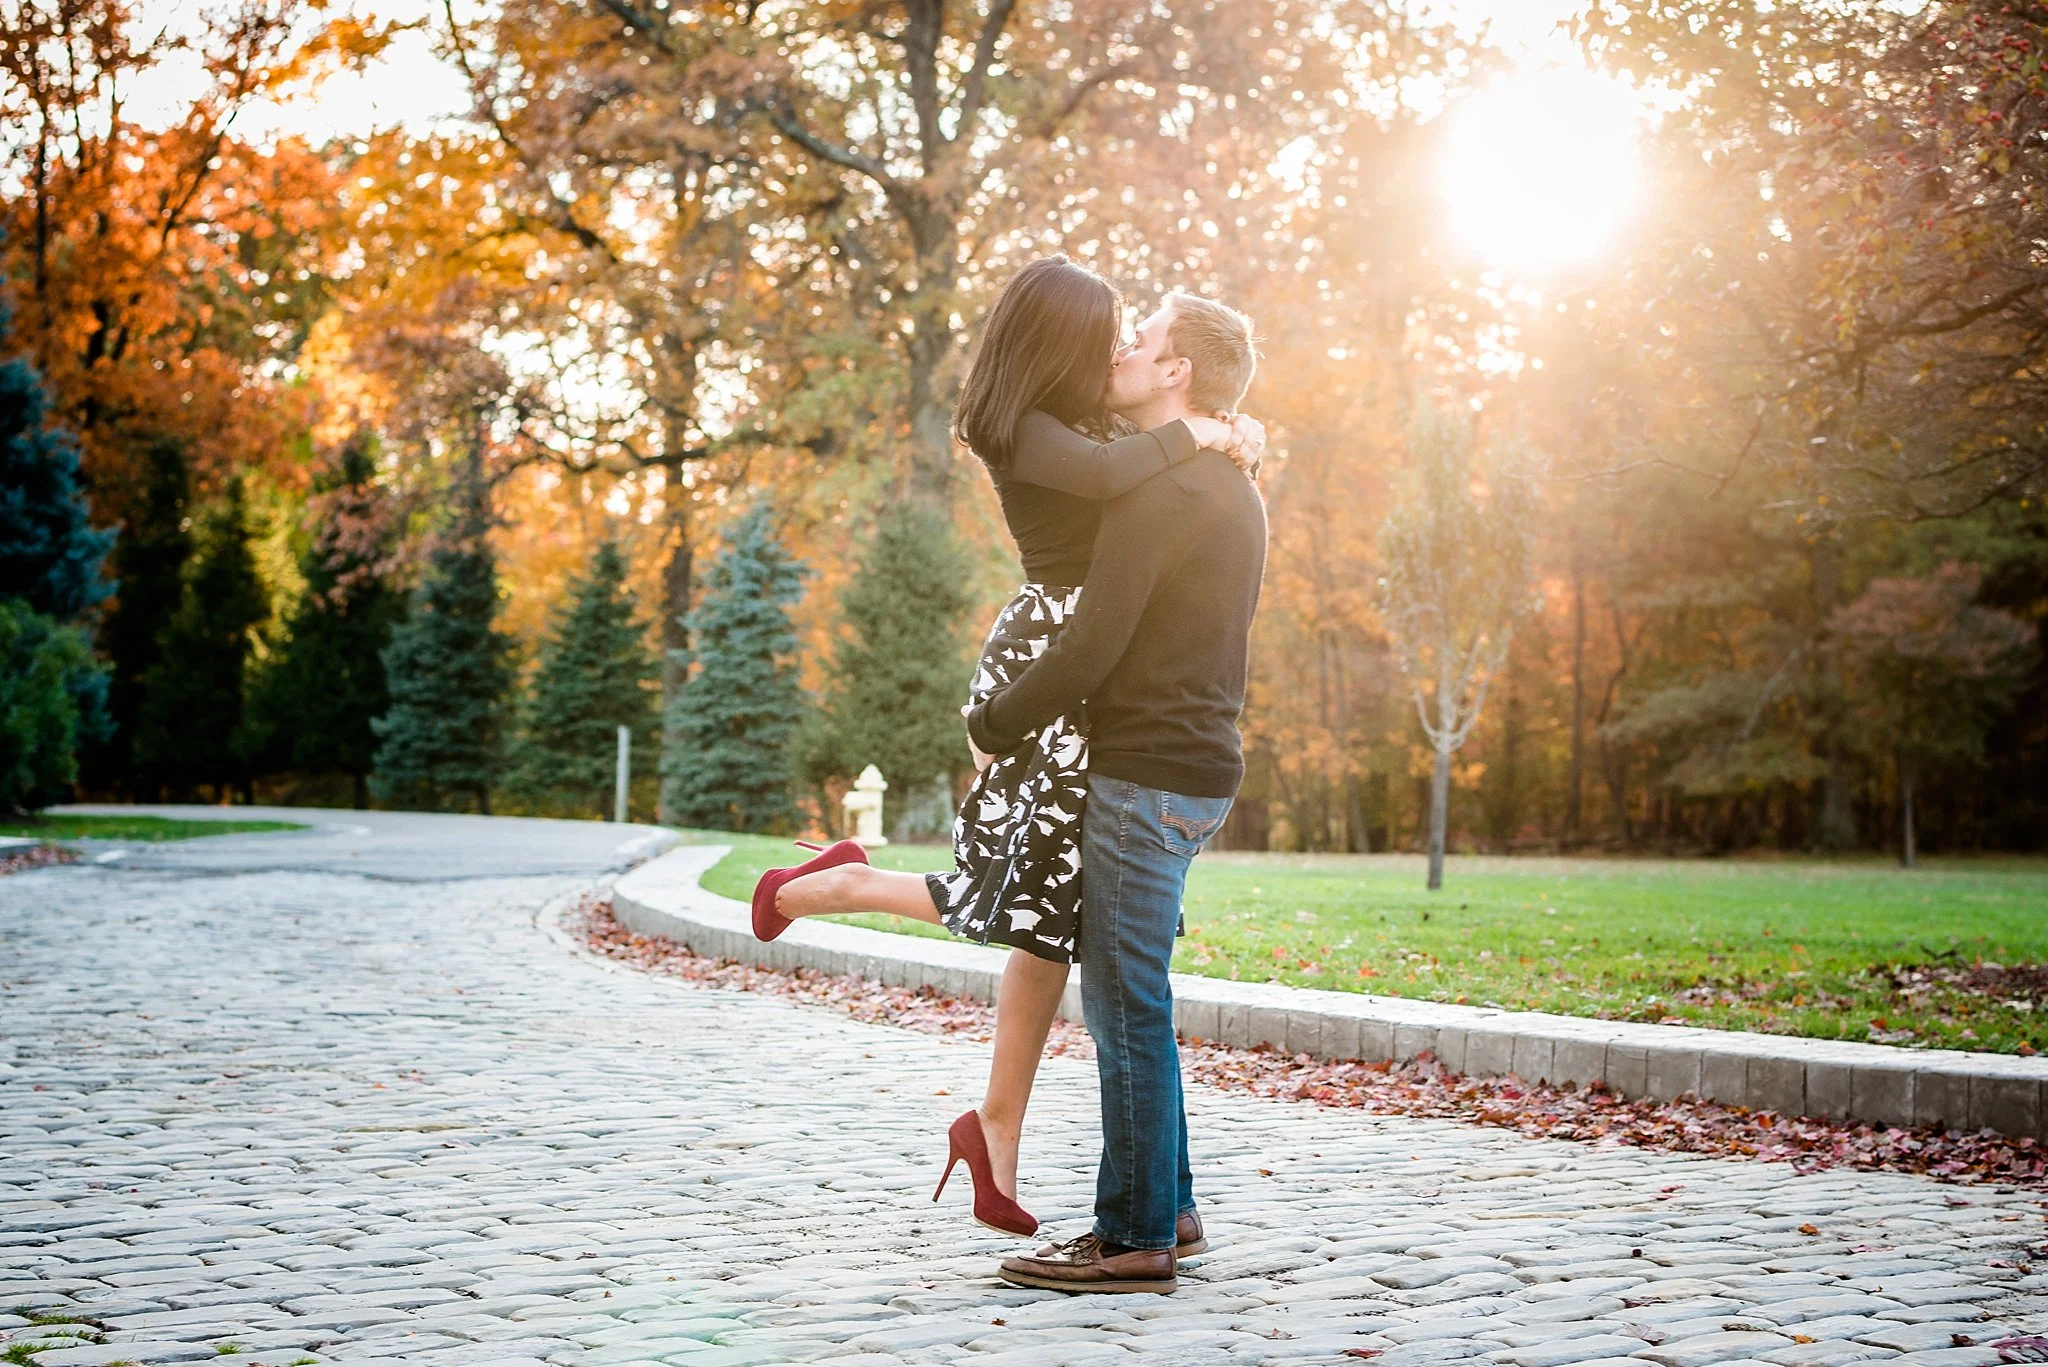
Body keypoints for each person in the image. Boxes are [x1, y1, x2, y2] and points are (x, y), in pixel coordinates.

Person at [748, 256, 1264, 1239]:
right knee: (1020, 894)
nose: (1120, 346)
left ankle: (1000, 1130)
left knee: (1051, 904)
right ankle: (815, 889)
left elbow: (1147, 453)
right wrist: (1204, 427)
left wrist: (1219, 426)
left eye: (1133, 333)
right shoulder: (1026, 429)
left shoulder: (1097, 424)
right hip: (1053, 662)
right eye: (1107, 329)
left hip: (1086, 665)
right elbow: (1123, 475)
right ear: (1058, 339)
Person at [968, 290, 1266, 1296]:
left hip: (1146, 769)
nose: (1120, 354)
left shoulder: (1164, 488)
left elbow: (1091, 644)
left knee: (1122, 1004)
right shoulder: (1226, 478)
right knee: (1140, 993)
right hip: (1197, 766)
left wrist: (997, 719)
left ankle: (1130, 1233)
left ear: (1176, 369)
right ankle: (1169, 1206)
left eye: (1140, 342)